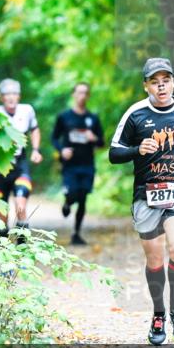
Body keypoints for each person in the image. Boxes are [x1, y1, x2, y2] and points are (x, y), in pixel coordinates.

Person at [109, 58, 174, 345]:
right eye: (154, 81)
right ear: (146, 86)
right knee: (154, 259)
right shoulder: (136, 114)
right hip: (146, 195)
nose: (161, 85)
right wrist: (136, 149)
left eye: (166, 79)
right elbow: (114, 153)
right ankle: (158, 314)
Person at [51, 82, 104, 245]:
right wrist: (62, 150)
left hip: (87, 164)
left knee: (83, 198)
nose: (82, 96)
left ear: (88, 96)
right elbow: (54, 137)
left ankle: (76, 233)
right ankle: (67, 203)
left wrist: (93, 138)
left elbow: (102, 142)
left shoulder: (93, 119)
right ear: (73, 94)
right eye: (79, 92)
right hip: (70, 165)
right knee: (73, 192)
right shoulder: (64, 117)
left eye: (85, 93)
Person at [0, 79, 43, 237]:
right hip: (0, 168)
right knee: (2, 214)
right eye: (7, 94)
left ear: (19, 96)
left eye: (14, 94)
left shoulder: (27, 110)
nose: (11, 97)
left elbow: (34, 129)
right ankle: (3, 251)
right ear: (1, 97)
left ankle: (22, 253)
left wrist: (36, 150)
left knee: (21, 206)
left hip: (20, 166)